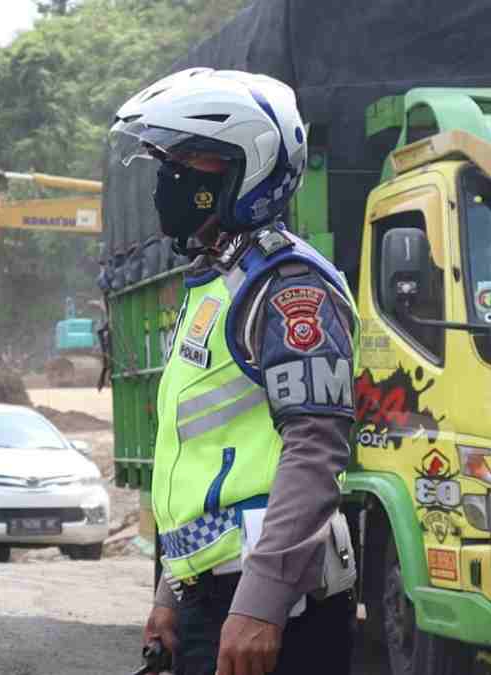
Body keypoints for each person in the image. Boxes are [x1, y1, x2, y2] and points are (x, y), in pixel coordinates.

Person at [111, 69, 357, 675]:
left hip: (275, 604)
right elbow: (194, 461)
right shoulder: (216, 284)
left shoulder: (289, 288)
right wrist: (170, 594)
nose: (170, 178)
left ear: (245, 171)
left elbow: (316, 448)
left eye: (189, 160)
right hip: (212, 597)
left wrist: (261, 607)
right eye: (167, 161)